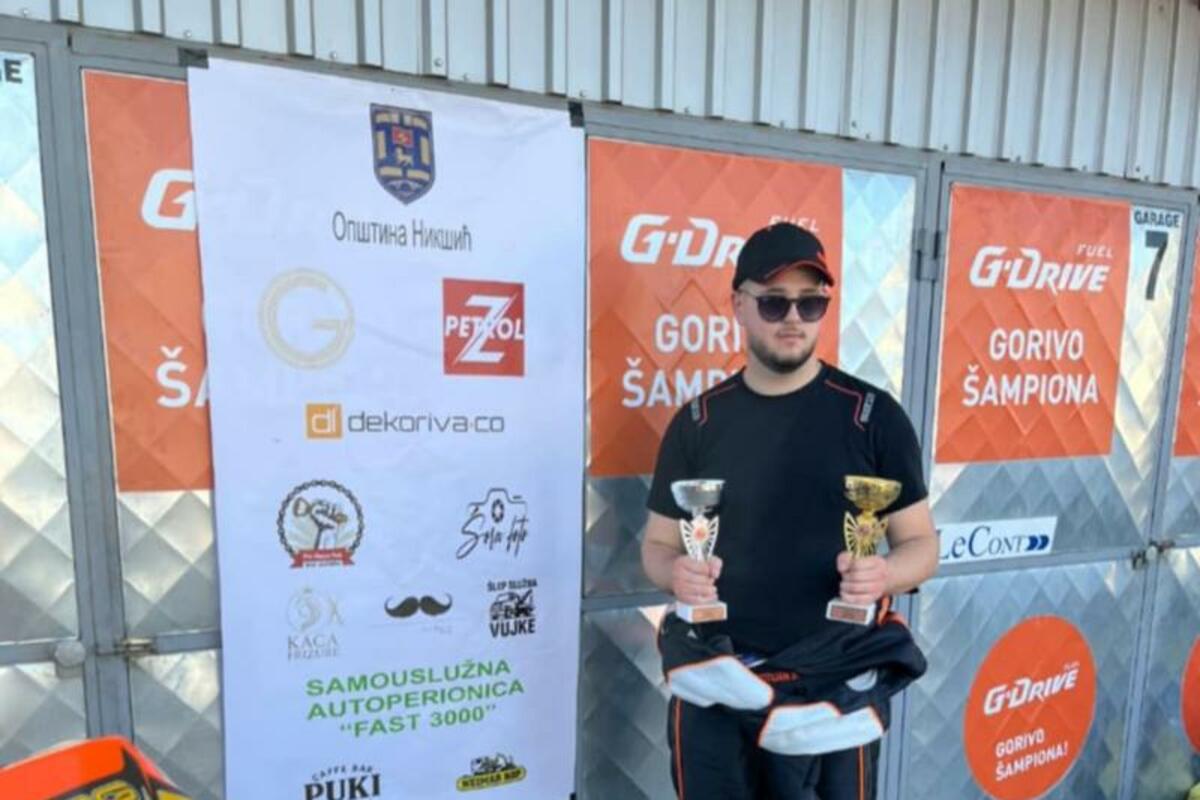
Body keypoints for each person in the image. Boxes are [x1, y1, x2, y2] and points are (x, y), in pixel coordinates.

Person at [641, 222, 938, 799]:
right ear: (739, 305)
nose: (794, 319)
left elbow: (922, 546)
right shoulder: (697, 423)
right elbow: (656, 547)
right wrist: (675, 572)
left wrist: (883, 574)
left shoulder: (873, 417)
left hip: (832, 690)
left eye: (811, 303)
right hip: (718, 685)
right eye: (774, 303)